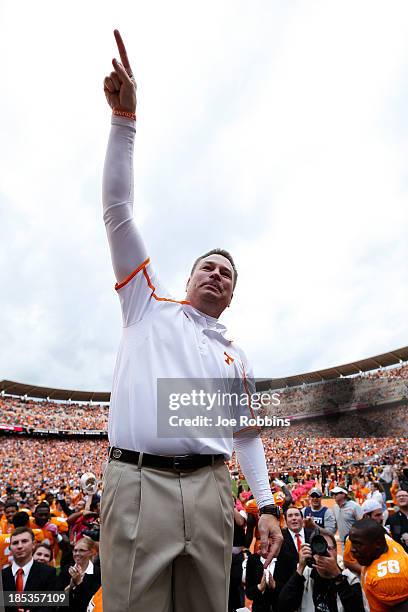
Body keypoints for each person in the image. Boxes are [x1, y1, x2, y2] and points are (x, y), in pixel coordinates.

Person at [99, 29, 282, 612]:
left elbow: (248, 437)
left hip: (211, 489)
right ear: (188, 278)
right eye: (208, 265)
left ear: (231, 295)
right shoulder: (147, 304)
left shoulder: (236, 356)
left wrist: (267, 503)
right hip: (139, 483)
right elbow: (117, 211)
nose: (217, 274)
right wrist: (125, 121)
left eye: (228, 273)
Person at [278, 532, 365, 612]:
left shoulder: (349, 579)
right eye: (318, 548)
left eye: (328, 548)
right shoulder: (306, 576)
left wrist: (337, 575)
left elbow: (357, 609)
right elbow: (283, 606)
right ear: (312, 553)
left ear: (336, 551)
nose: (323, 554)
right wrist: (300, 567)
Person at [349, 519, 408, 612]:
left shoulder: (387, 577)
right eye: (352, 542)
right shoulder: (380, 539)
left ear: (378, 544)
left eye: (358, 544)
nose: (352, 549)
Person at [1, 527, 57, 612]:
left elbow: (52, 606)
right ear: (10, 548)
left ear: (34, 544)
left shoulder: (48, 573)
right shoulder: (2, 575)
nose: (20, 546)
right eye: (15, 543)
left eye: (24, 541)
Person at [59, 536, 101, 612]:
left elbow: (92, 601)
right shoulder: (66, 569)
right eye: (75, 550)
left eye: (82, 550)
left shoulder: (98, 573)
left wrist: (79, 583)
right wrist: (70, 587)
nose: (77, 553)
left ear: (92, 552)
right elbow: (57, 598)